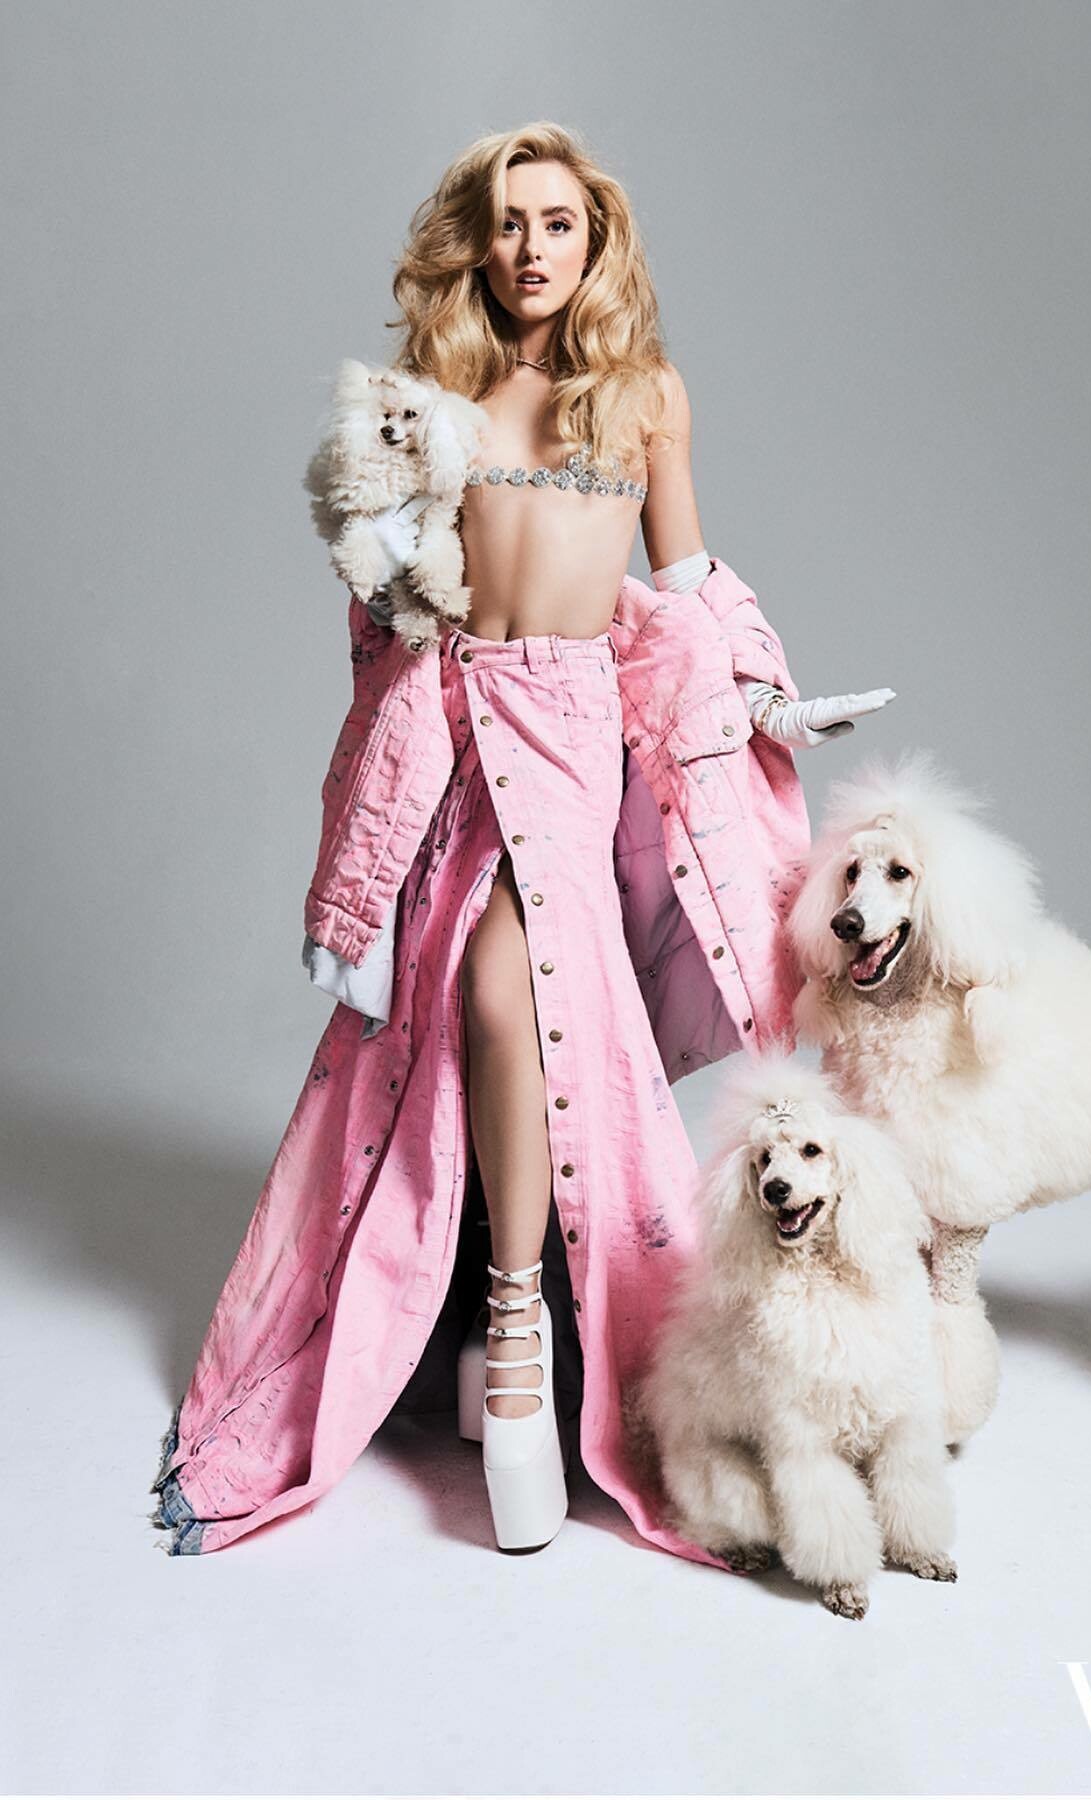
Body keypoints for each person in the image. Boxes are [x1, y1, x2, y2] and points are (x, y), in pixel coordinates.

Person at [150, 121, 894, 1561]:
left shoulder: (647, 395)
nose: (533, 247)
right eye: (509, 223)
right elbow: (385, 606)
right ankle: (491, 1324)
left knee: (521, 1000)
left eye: (559, 223)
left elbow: (685, 586)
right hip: (454, 735)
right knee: (463, 1017)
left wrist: (767, 699)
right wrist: (383, 581)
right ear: (476, 243)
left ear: (595, 240)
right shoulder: (426, 401)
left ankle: (518, 1336)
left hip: (572, 743)